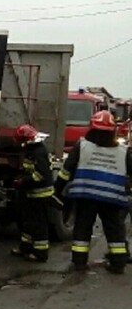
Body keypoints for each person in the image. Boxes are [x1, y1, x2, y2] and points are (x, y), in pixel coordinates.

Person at [55, 110, 132, 274]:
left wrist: (57, 190)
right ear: (113, 130)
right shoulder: (123, 151)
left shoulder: (82, 145)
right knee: (114, 229)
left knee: (83, 227)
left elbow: (66, 171)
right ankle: (118, 263)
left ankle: (79, 263)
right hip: (112, 197)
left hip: (85, 195)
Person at [10, 124, 56, 262]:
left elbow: (41, 175)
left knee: (39, 225)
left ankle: (40, 254)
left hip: (40, 195)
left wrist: (23, 181)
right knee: (28, 222)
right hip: (32, 194)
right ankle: (25, 248)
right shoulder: (33, 150)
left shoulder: (38, 152)